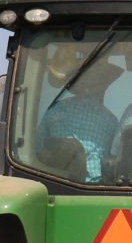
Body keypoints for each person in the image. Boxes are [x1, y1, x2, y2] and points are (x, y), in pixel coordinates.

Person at [40, 52, 122, 181]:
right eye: (106, 84)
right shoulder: (110, 120)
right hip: (95, 186)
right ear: (102, 86)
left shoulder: (55, 110)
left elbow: (37, 149)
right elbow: (116, 161)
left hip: (53, 181)